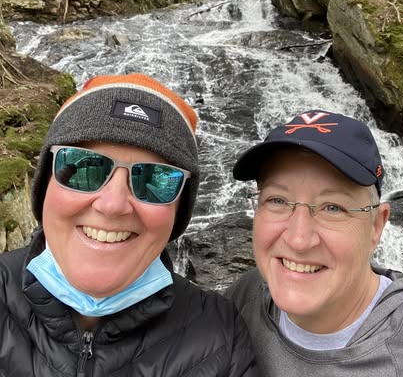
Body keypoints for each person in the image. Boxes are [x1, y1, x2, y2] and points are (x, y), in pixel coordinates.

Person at [0, 73, 258, 376]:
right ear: (44, 185)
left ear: (178, 211)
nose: (112, 205)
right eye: (86, 167)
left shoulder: (222, 335)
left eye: (152, 179)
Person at [226, 109, 403, 376]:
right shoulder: (243, 299)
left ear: (376, 226)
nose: (298, 239)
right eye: (277, 200)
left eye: (333, 207)